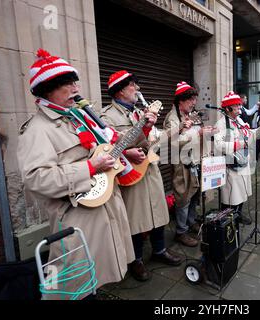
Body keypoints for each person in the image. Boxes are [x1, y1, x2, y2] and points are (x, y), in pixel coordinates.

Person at [17, 49, 134, 299]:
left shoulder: (78, 117)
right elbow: (36, 179)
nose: (75, 88)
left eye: (74, 82)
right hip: (76, 217)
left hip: (105, 207)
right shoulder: (36, 130)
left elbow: (106, 147)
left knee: (98, 272)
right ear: (49, 89)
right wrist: (90, 168)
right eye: (68, 83)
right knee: (76, 279)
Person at [100, 70, 183, 282]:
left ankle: (159, 250)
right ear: (119, 90)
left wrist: (178, 129)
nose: (137, 89)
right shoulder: (106, 116)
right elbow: (104, 146)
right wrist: (126, 152)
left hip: (149, 169)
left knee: (157, 213)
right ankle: (135, 259)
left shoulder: (140, 112)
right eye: (132, 85)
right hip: (129, 173)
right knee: (135, 218)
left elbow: (153, 140)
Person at [163, 82, 207, 247]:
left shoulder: (191, 115)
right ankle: (181, 232)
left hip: (195, 160)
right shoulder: (172, 118)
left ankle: (190, 222)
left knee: (194, 194)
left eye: (195, 99)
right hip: (181, 163)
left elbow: (196, 133)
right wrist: (198, 133)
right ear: (181, 100)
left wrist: (204, 132)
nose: (194, 103)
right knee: (183, 197)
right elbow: (175, 142)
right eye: (191, 100)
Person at [214, 91, 260, 224]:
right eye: (236, 106)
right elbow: (218, 145)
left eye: (239, 105)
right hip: (231, 165)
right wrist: (238, 144)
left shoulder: (239, 120)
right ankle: (227, 220)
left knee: (242, 192)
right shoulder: (220, 124)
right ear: (227, 108)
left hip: (243, 162)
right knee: (230, 196)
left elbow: (251, 134)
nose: (239, 108)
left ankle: (238, 214)